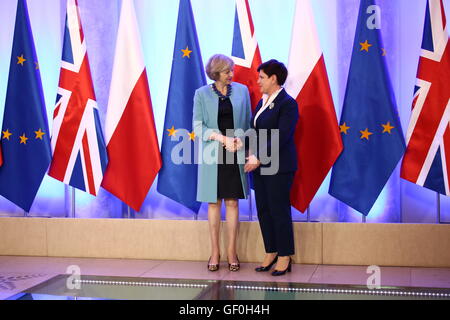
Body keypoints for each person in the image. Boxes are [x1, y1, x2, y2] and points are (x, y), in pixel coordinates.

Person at [193, 54, 251, 272]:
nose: (231, 75)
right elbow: (198, 127)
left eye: (232, 70)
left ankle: (232, 252)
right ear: (216, 73)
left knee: (233, 203)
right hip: (213, 155)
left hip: (235, 152)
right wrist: (221, 137)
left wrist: (240, 140)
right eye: (227, 71)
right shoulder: (201, 94)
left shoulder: (242, 91)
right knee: (214, 203)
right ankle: (215, 251)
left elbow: (248, 122)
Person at [244, 59, 299, 276]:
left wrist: (258, 156)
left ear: (273, 79)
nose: (258, 81)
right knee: (264, 210)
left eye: (261, 77)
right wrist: (247, 149)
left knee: (278, 210)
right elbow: (255, 130)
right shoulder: (263, 102)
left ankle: (285, 255)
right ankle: (271, 251)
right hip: (259, 165)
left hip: (279, 166)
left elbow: (281, 137)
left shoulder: (288, 104)